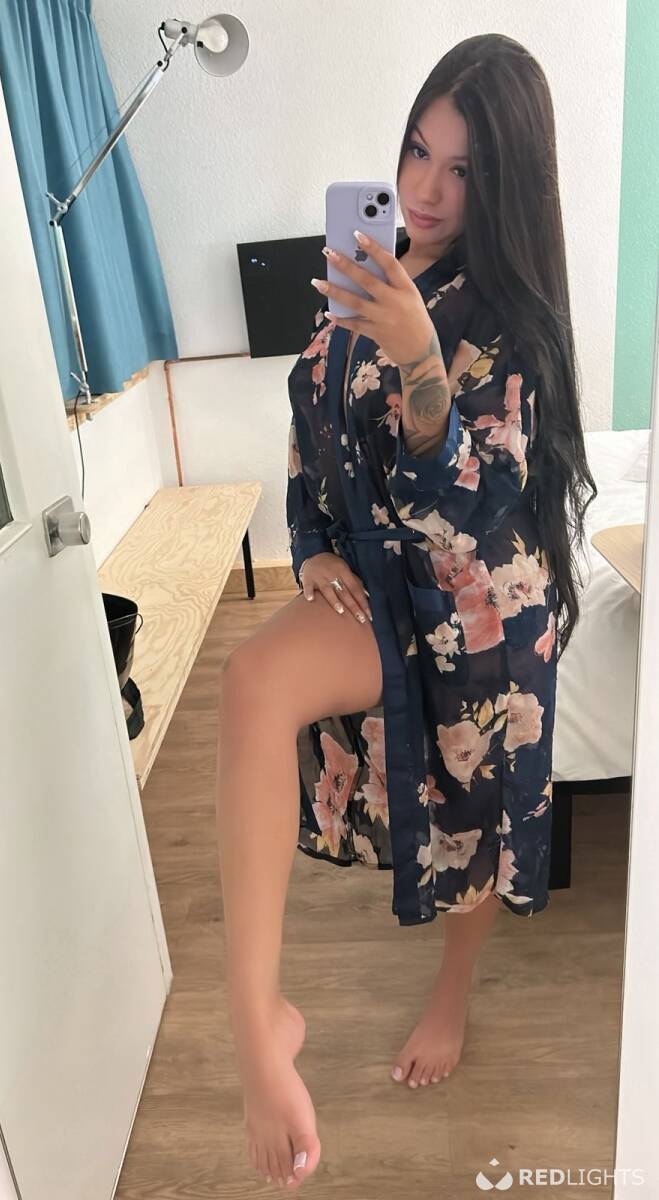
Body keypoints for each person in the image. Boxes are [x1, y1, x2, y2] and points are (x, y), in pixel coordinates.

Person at [215, 32, 597, 1192]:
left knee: (471, 807)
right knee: (251, 681)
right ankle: (257, 1026)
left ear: (506, 181)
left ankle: (452, 994)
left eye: (462, 168)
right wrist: (311, 546)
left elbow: (476, 507)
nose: (427, 189)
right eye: (416, 151)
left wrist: (423, 358)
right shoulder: (368, 271)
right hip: (380, 585)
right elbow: (312, 422)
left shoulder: (513, 320)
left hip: (479, 605)